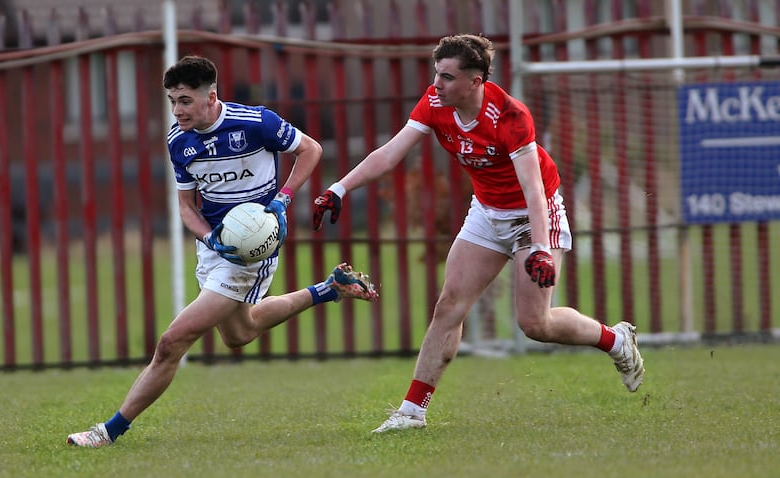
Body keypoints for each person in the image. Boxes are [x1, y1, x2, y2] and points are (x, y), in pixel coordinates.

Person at [312, 34, 645, 433]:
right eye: (437, 74)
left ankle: (615, 341)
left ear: (476, 81)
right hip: (487, 213)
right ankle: (412, 412)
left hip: (532, 215)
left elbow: (534, 189)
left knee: (535, 324)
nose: (437, 84)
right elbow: (389, 153)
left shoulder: (509, 116)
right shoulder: (435, 103)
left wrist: (540, 247)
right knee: (449, 305)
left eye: (448, 77)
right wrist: (339, 188)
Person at [67, 55, 379, 447]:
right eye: (171, 101)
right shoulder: (178, 140)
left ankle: (108, 431)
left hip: (253, 249)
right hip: (216, 246)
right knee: (240, 333)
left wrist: (283, 200)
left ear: (210, 96)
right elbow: (186, 207)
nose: (177, 110)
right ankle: (329, 289)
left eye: (184, 100)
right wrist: (210, 240)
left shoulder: (255, 123)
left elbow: (311, 150)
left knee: (172, 342)